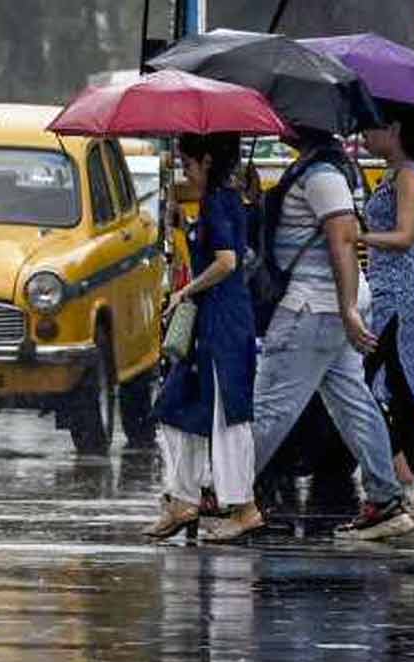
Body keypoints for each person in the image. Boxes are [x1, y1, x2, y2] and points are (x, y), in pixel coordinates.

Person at [251, 124, 414, 541]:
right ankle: (385, 500)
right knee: (353, 403)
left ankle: (224, 496)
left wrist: (347, 309)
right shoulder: (326, 168)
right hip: (327, 307)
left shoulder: (322, 174)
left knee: (270, 407)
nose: (279, 122)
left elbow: (342, 240)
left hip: (313, 307)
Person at [146, 132, 262, 542]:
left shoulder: (218, 201)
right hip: (213, 323)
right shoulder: (220, 201)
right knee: (178, 408)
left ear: (208, 161)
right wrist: (186, 226)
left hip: (221, 324)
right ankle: (183, 498)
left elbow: (226, 262)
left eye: (188, 164)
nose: (186, 173)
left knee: (225, 417)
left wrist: (186, 291)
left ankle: (243, 508)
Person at [359, 101, 414, 508]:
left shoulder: (409, 174)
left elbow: (406, 235)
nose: (364, 136)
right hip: (383, 292)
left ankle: (406, 478)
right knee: (395, 389)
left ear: (394, 129)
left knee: (366, 385)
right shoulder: (389, 174)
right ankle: (408, 482)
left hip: (401, 297)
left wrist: (356, 238)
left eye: (370, 128)